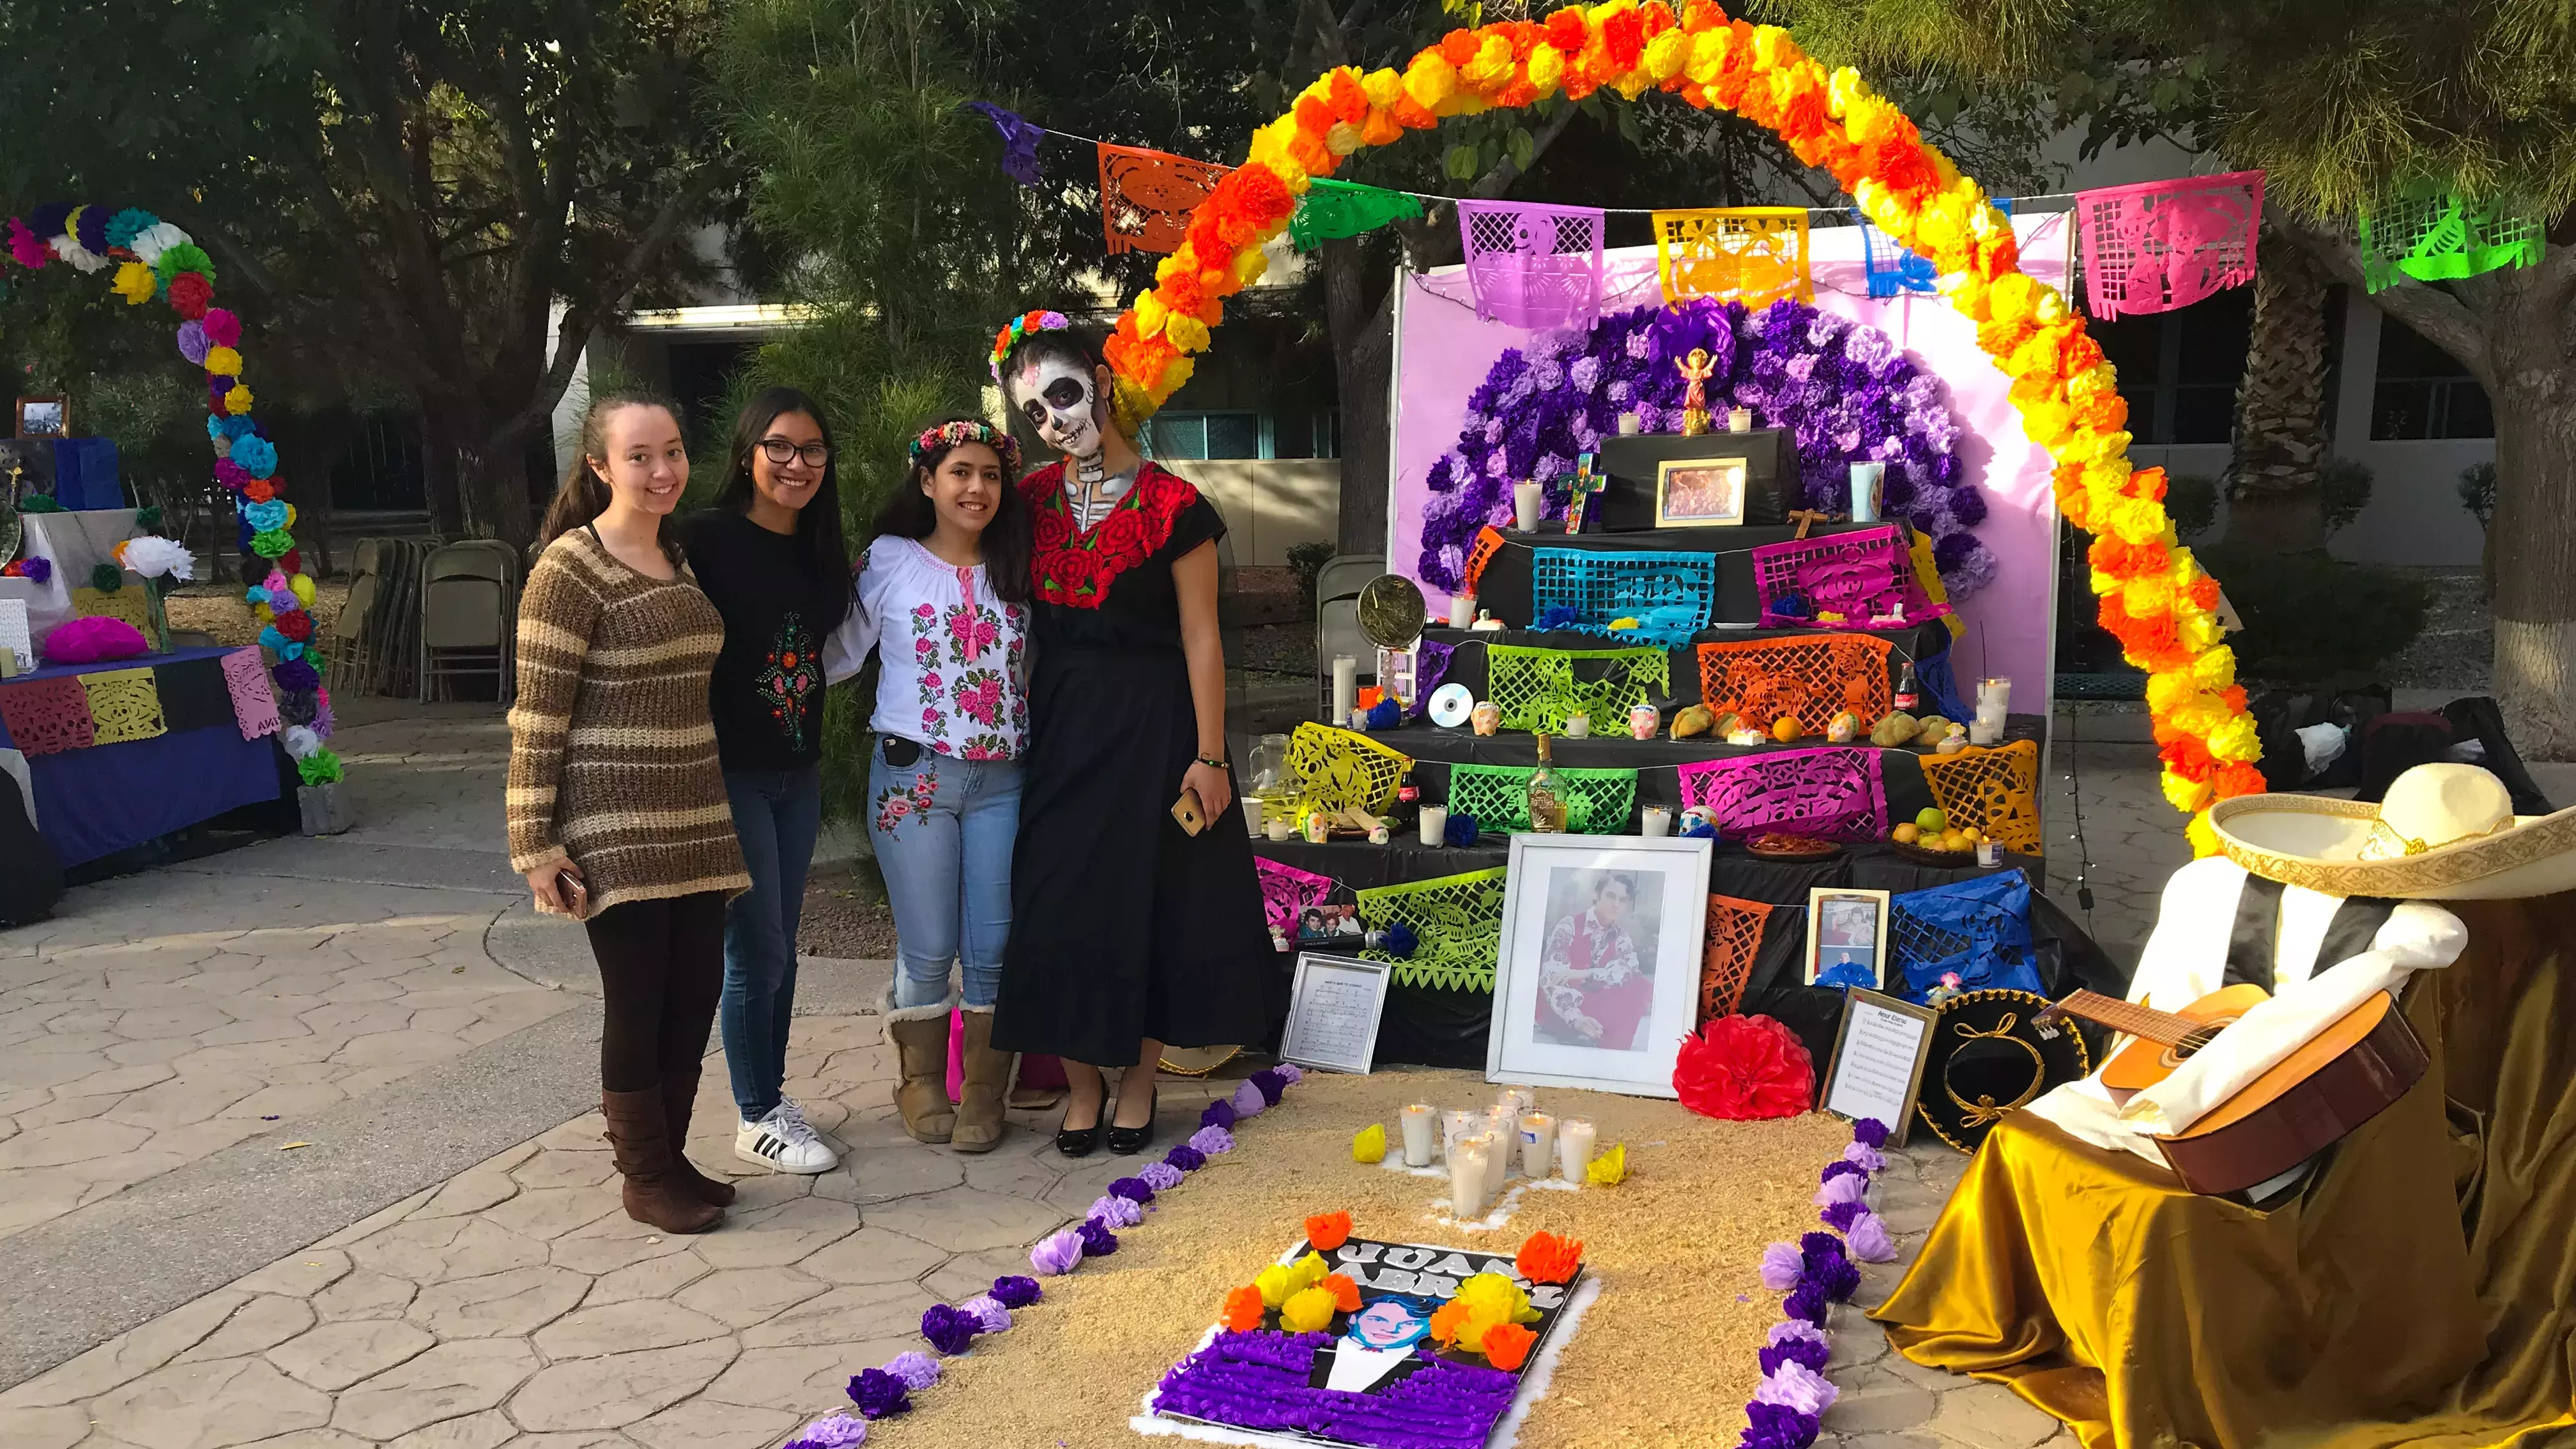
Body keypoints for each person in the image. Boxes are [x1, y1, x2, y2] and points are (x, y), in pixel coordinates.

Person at [986, 312, 1271, 1158]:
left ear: (1103, 383)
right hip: (1063, 730)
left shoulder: (1176, 507)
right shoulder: (1026, 504)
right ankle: (1081, 1087)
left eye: (1064, 396)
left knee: (1152, 906)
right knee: (1061, 907)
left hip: (1157, 728)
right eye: (1034, 414)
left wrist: (1212, 756)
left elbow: (1202, 638)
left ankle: (1140, 1082)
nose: (1054, 423)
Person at [507, 389, 749, 1235]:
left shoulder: (677, 556)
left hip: (693, 814)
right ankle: (644, 1177)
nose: (661, 470)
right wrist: (533, 842)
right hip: (612, 822)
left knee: (696, 991)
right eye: (640, 456)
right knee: (640, 997)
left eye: (673, 451)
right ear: (601, 466)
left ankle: (672, 1157)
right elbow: (538, 713)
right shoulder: (569, 566)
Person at [822, 416, 1033, 1151]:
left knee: (993, 950)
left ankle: (983, 1092)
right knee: (929, 947)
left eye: (990, 476)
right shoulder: (888, 560)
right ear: (927, 481)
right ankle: (918, 1084)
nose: (977, 488)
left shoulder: (1018, 568)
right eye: (960, 473)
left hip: (1003, 781)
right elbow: (836, 657)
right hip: (916, 782)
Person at [678, 388, 850, 1177]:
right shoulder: (701, 540)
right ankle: (755, 1115)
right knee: (757, 948)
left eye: (813, 450)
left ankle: (771, 1097)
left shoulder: (821, 549)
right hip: (728, 773)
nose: (796, 464)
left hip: (797, 769)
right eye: (779, 447)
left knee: (781, 945)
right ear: (747, 453)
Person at [1535, 873, 1653, 1050]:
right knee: (1560, 981)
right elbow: (1551, 979)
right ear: (1595, 895)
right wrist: (1576, 1019)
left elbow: (1627, 972)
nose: (1616, 904)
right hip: (1559, 1008)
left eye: (1623, 900)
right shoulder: (1569, 925)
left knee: (1640, 984)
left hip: (1593, 1004)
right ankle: (1589, 1034)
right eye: (1611, 896)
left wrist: (1586, 973)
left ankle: (1606, 1037)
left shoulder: (1621, 938)